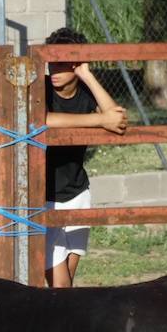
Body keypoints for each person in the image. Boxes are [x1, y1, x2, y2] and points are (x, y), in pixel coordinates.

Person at [42, 27, 127, 287]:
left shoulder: (87, 92)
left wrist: (87, 76)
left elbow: (119, 118)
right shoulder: (40, 90)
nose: (54, 69)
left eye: (63, 62)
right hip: (45, 197)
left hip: (78, 193)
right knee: (61, 288)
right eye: (52, 62)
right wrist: (100, 119)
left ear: (77, 63)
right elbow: (45, 120)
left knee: (67, 280)